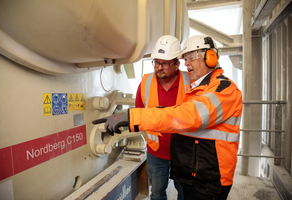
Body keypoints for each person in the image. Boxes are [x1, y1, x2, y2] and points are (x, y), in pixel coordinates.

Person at [93, 35, 243, 200]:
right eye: (186, 58)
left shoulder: (223, 89)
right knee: (158, 193)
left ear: (211, 57)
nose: (187, 63)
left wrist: (132, 117)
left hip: (208, 177)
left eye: (191, 57)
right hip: (186, 166)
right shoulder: (198, 87)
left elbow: (186, 115)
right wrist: (132, 116)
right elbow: (172, 113)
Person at [135, 35, 189, 200]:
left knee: (185, 195)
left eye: (164, 63)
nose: (159, 67)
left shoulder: (190, 82)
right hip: (156, 154)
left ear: (177, 64)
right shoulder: (145, 83)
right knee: (157, 194)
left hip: (184, 154)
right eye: (156, 62)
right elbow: (139, 115)